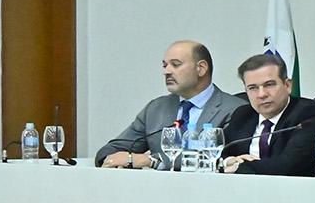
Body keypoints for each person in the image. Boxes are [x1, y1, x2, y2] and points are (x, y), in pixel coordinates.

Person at [96, 40, 244, 168]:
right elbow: (109, 151)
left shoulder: (236, 110)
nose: (166, 71)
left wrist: (152, 161)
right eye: (165, 65)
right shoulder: (155, 109)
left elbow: (226, 160)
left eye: (175, 65)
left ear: (201, 68)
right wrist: (115, 162)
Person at [218, 55, 315, 176]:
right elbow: (217, 154)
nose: (261, 94)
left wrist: (239, 167)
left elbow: (287, 166)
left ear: (287, 85)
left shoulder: (308, 114)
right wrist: (229, 161)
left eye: (269, 85)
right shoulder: (243, 115)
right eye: (253, 88)